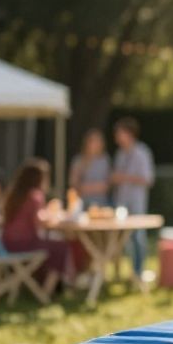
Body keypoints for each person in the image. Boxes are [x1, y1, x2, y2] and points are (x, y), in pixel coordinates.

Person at [0, 159, 69, 294]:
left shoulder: (13, 195)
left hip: (7, 244)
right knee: (61, 247)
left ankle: (41, 285)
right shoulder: (35, 195)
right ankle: (47, 290)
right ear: (38, 179)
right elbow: (40, 222)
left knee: (51, 245)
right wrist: (53, 215)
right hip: (24, 244)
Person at [111, 117, 155, 278]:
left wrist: (124, 177)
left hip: (136, 201)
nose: (116, 136)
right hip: (121, 201)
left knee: (137, 236)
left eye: (119, 133)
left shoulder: (142, 153)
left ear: (129, 133)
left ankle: (139, 272)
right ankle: (122, 273)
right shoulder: (120, 154)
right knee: (122, 239)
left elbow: (148, 179)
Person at [69, 128, 112, 209]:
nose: (94, 144)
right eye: (92, 141)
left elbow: (107, 185)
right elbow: (73, 183)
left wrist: (87, 187)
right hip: (82, 204)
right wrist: (95, 187)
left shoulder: (105, 160)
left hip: (101, 204)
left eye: (97, 141)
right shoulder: (78, 160)